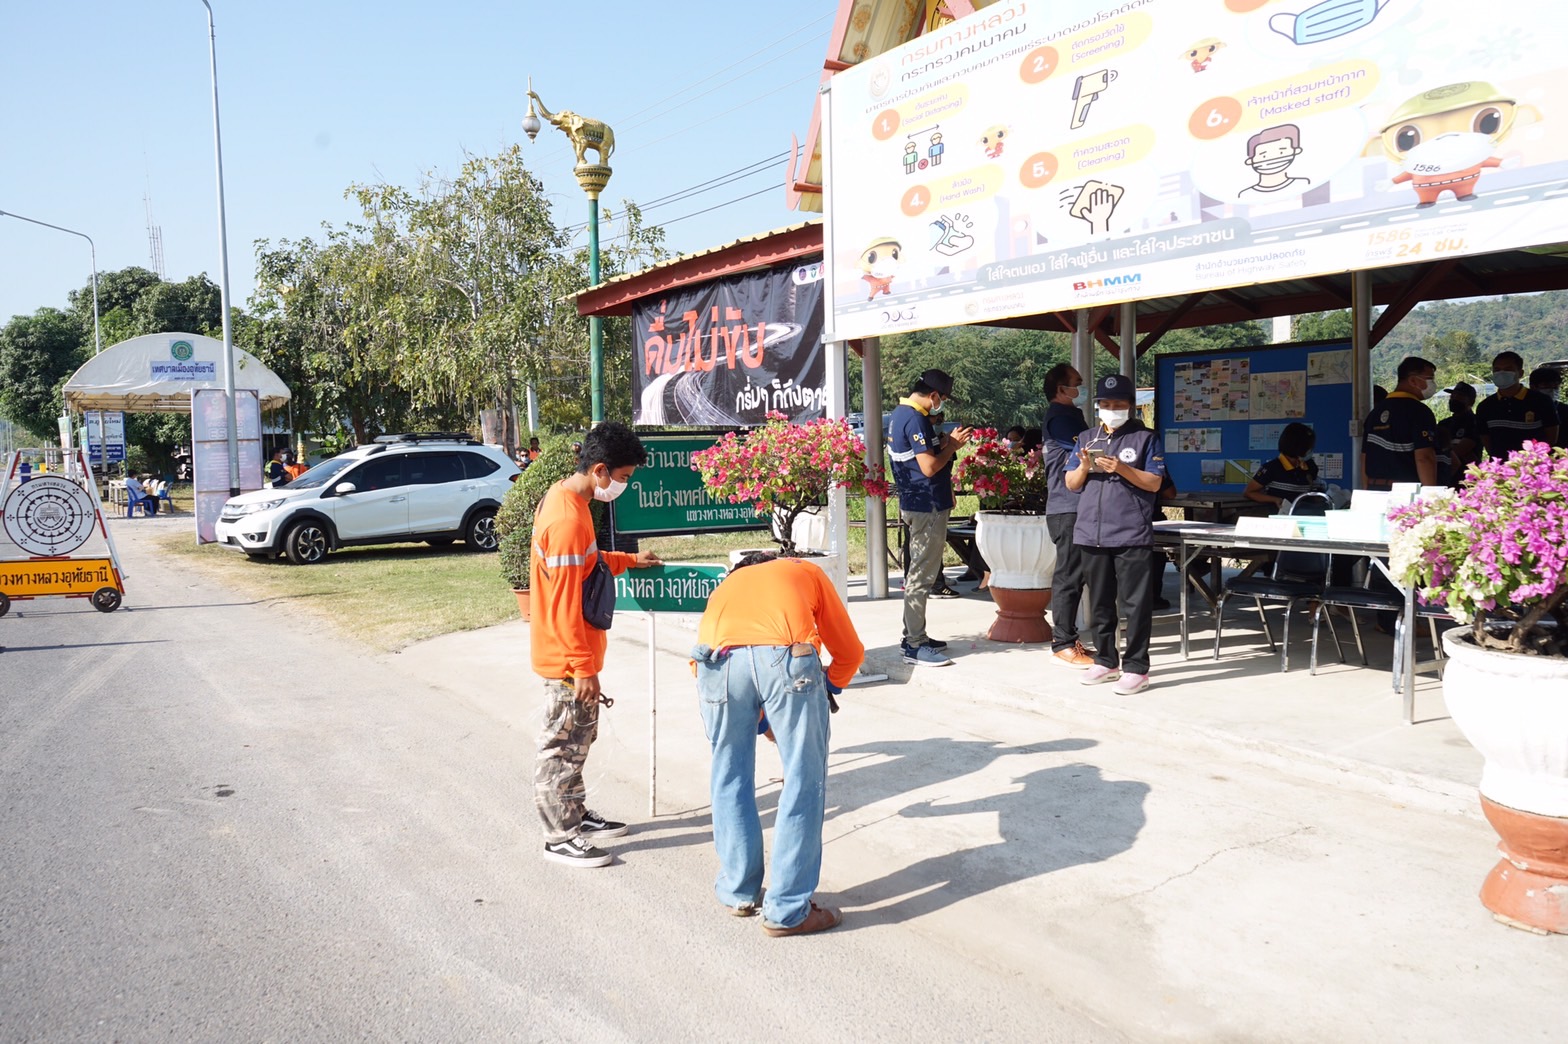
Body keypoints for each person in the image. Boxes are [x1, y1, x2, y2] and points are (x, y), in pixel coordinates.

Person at [690, 552, 865, 936]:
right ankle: (787, 910)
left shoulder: (726, 586)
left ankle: (738, 891)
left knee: (729, 775)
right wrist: (828, 687)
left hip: (715, 665)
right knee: (803, 779)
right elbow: (851, 652)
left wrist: (762, 717)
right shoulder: (803, 570)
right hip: (786, 657)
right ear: (778, 559)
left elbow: (713, 671)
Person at [531, 421, 662, 868]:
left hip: (574, 654)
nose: (623, 486)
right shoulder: (568, 519)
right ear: (600, 469)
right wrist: (583, 667)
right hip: (568, 660)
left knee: (578, 742)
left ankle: (575, 815)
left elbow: (587, 563)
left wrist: (628, 560)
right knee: (561, 749)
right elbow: (565, 604)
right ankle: (559, 837)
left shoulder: (569, 500)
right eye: (622, 477)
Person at [1064, 374, 1166, 695]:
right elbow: (1071, 483)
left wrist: (1121, 468)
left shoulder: (1146, 438)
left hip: (1130, 533)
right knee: (1100, 603)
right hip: (1091, 533)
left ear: (1131, 406)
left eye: (1118, 404)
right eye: (1105, 404)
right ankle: (1106, 661)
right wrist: (1083, 467)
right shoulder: (1086, 438)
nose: (1111, 409)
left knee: (1135, 605)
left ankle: (1136, 668)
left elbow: (1154, 482)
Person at [887, 368, 972, 667]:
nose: (941, 404)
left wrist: (944, 444)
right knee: (922, 576)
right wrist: (953, 446)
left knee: (919, 573)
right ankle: (914, 644)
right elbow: (929, 467)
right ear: (933, 395)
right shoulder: (916, 419)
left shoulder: (900, 414)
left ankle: (913, 636)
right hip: (928, 505)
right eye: (943, 398)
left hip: (915, 502)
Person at [1042, 363, 1094, 668]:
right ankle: (1062, 643)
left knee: (1079, 576)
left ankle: (1070, 639)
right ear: (1062, 389)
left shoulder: (1072, 415)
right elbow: (1089, 454)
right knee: (1069, 577)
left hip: (1078, 506)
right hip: (1067, 507)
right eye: (1077, 383)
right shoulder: (1061, 418)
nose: (1082, 387)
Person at [1362, 356, 1438, 489]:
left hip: (1374, 488)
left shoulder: (1375, 412)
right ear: (1413, 380)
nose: (1433, 384)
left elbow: (1364, 457)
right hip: (1406, 491)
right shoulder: (1419, 411)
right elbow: (1424, 458)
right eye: (1430, 379)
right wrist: (1431, 494)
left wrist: (1366, 489)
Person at [1477, 351, 1558, 459]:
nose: (1502, 373)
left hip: (1532, 466)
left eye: (1508, 369)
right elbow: (1487, 443)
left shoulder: (1541, 401)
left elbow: (1551, 438)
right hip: (1500, 467)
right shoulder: (1485, 406)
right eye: (1497, 369)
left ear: (1520, 373)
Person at [1243, 422, 1321, 507]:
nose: (1310, 450)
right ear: (1297, 446)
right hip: (1279, 512)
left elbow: (1314, 490)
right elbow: (1249, 492)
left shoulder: (1310, 465)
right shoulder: (1271, 468)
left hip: (1305, 511)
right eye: (1308, 447)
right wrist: (1274, 499)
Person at [1436, 381, 1481, 482]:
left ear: (1471, 401)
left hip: (1467, 478)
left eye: (1460, 396)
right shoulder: (1444, 423)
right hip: (1446, 476)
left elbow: (1461, 450)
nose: (1454, 398)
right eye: (1453, 395)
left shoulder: (1475, 422)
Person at [1527, 366, 1568, 448]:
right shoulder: (1524, 409)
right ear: (1533, 387)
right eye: (1546, 386)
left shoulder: (1565, 410)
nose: (1552, 390)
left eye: (1555, 387)